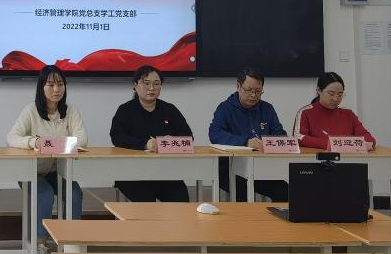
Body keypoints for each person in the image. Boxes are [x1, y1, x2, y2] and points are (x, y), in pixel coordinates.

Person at [7, 64, 88, 254]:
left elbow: (82, 139)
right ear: (41, 87)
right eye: (50, 84)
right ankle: (41, 246)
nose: (56, 89)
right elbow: (12, 137)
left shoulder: (70, 110)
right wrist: (33, 142)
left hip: (58, 171)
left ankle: (71, 245)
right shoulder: (31, 110)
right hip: (31, 171)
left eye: (60, 84)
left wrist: (56, 144)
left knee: (74, 193)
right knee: (44, 194)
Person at [109, 65, 192, 202]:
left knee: (180, 197)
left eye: (156, 83)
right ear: (135, 85)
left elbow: (188, 136)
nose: (152, 88)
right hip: (132, 173)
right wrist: (144, 144)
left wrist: (172, 140)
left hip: (165, 172)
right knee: (146, 199)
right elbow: (117, 137)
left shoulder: (169, 109)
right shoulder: (125, 110)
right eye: (146, 83)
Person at [208, 66, 288, 202]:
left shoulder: (267, 108)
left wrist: (269, 143)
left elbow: (280, 134)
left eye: (258, 91)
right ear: (238, 86)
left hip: (260, 167)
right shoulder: (225, 108)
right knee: (243, 195)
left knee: (286, 192)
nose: (253, 95)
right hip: (229, 168)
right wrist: (245, 142)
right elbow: (215, 134)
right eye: (248, 90)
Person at [294, 72, 376, 150]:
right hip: (319, 158)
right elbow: (299, 137)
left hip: (347, 158)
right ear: (319, 90)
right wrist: (334, 144)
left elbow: (370, 140)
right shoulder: (305, 112)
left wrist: (342, 145)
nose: (335, 99)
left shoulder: (348, 114)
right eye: (331, 94)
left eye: (339, 95)